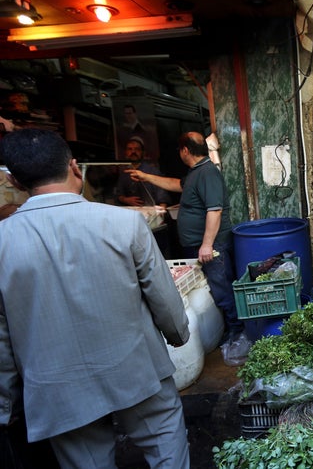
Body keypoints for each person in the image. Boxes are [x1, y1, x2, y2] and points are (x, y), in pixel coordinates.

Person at [0, 128, 191, 468]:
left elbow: (2, 340)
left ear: (14, 181)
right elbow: (163, 297)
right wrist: (178, 335)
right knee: (166, 444)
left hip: (57, 387)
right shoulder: (125, 224)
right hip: (137, 369)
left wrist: (7, 404)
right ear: (75, 168)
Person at [126, 131, 244, 339]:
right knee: (214, 290)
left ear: (185, 150)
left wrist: (207, 244)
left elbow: (214, 210)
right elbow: (176, 185)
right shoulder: (195, 173)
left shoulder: (207, 173)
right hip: (198, 246)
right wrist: (146, 177)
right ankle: (227, 331)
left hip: (211, 247)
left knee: (222, 290)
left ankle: (237, 333)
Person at [116, 136, 171, 207]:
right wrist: (125, 199)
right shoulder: (124, 173)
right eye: (130, 149)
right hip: (130, 212)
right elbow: (119, 194)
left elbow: (162, 197)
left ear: (142, 152)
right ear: (126, 152)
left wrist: (160, 214)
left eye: (137, 149)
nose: (133, 152)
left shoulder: (152, 171)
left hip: (150, 211)